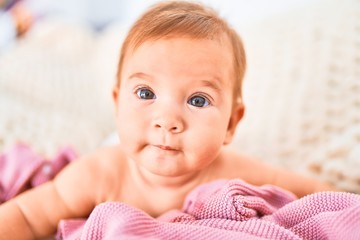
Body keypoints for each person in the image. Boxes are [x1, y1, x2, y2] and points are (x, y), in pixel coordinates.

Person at [0, 1, 337, 239]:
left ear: (231, 125)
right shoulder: (99, 173)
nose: (167, 120)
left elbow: (316, 194)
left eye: (197, 100)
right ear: (117, 104)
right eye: (146, 94)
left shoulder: (233, 173)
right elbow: (26, 216)